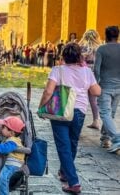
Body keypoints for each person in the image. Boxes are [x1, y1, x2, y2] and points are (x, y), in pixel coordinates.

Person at [39, 43, 101, 194]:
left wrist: (41, 107)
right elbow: (96, 91)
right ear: (79, 56)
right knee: (72, 143)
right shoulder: (87, 71)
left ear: (63, 56)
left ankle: (74, 182)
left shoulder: (57, 70)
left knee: (63, 146)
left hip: (60, 111)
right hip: (79, 111)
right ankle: (65, 172)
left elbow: (48, 91)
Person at [94, 26, 120, 152]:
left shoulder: (101, 49)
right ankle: (105, 138)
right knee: (111, 114)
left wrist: (95, 83)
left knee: (105, 113)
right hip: (118, 86)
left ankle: (116, 137)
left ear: (106, 35)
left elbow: (96, 69)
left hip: (105, 86)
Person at [0, 116, 28, 195]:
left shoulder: (13, 141)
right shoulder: (9, 139)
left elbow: (5, 149)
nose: (0, 128)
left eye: (3, 127)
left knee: (3, 178)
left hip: (13, 165)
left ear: (12, 132)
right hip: (10, 164)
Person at [78, 29, 101, 130]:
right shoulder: (99, 48)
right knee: (93, 100)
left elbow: (78, 61)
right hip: (95, 74)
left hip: (83, 73)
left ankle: (78, 121)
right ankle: (96, 120)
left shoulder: (81, 47)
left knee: (79, 98)